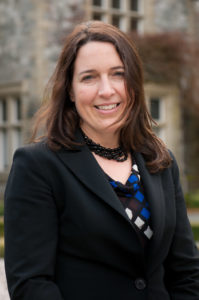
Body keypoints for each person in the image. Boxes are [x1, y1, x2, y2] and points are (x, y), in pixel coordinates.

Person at [4, 20, 199, 300]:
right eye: (89, 77)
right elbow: (31, 284)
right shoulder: (37, 166)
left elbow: (186, 272)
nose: (106, 90)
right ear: (70, 90)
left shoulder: (160, 161)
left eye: (118, 74)